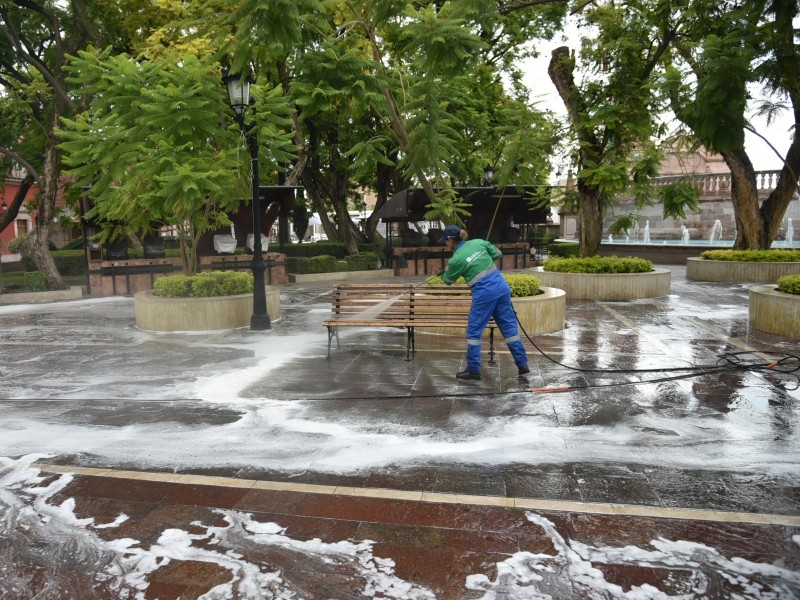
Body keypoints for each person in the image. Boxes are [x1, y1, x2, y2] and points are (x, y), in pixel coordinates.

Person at [438, 224, 530, 380]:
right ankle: (522, 364)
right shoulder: (479, 242)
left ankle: (473, 370)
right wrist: (482, 257)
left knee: (474, 331)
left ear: (450, 240)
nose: (446, 244)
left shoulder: (456, 259)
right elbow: (498, 254)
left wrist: (444, 272)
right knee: (509, 328)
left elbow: (448, 280)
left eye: (445, 242)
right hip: (502, 289)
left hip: (484, 295)